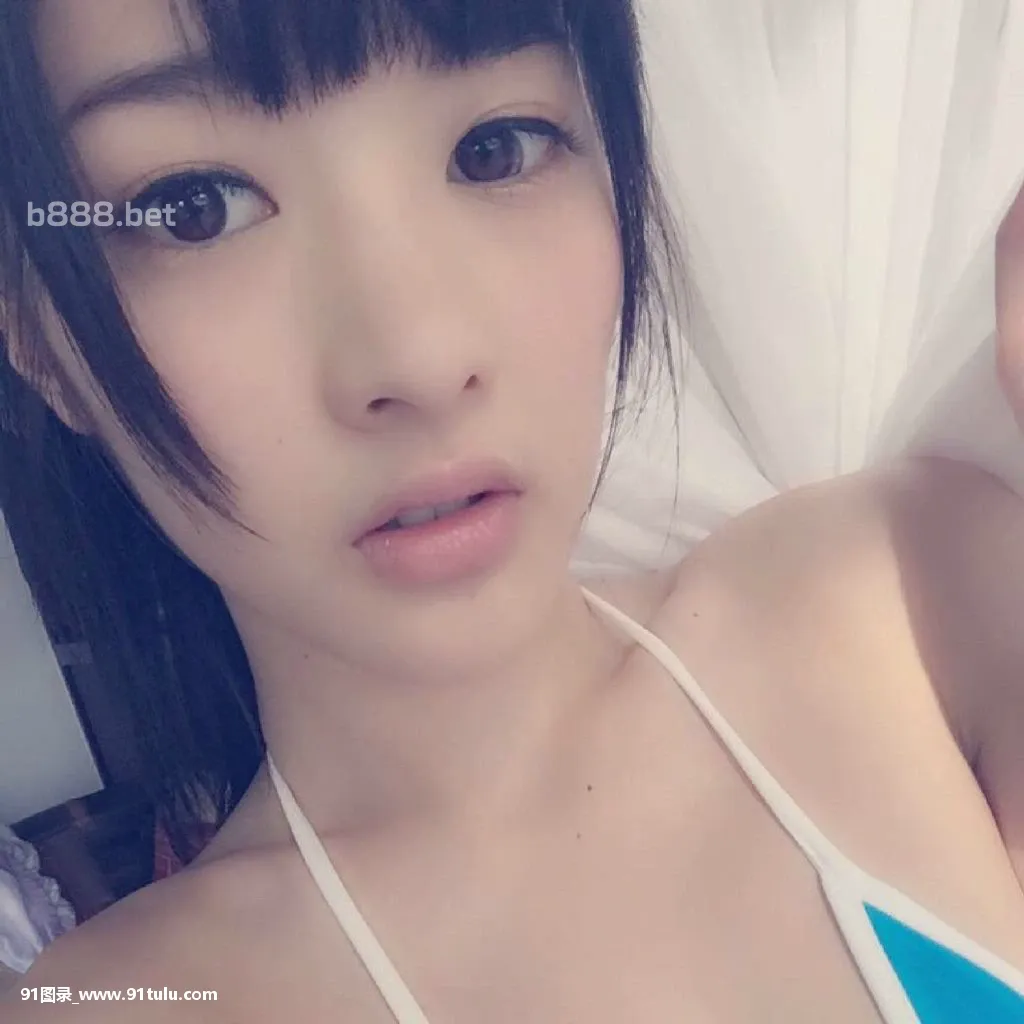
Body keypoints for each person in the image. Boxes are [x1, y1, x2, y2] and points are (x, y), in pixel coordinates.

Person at [3, 0, 1024, 1020]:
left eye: (495, 149)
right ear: (41, 340)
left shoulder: (919, 607)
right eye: (193, 207)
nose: (421, 358)